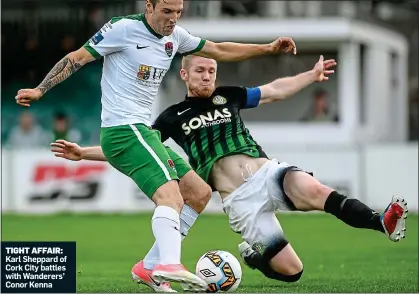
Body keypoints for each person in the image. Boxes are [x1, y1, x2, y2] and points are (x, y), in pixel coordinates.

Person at [50, 55, 408, 290]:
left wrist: (311, 76)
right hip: (238, 202)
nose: (207, 76)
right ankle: (254, 257)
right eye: (200, 71)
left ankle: (382, 221)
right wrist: (84, 153)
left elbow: (274, 91)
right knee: (292, 272)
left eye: (212, 71)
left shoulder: (229, 96)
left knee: (312, 188)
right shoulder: (171, 117)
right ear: (185, 74)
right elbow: (132, 149)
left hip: (269, 174)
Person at [15, 0, 297, 291]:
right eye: (166, 11)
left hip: (140, 133)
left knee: (198, 193)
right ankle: (169, 265)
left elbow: (219, 49)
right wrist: (40, 89)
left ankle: (149, 266)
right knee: (171, 197)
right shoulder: (122, 28)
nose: (173, 19)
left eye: (178, 12)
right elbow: (76, 58)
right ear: (149, 7)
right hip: (123, 129)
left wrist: (267, 48)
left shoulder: (177, 38)